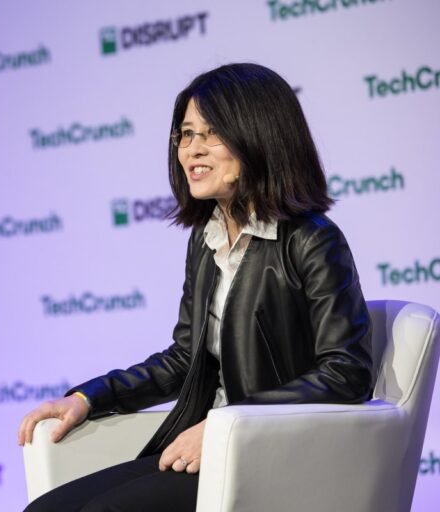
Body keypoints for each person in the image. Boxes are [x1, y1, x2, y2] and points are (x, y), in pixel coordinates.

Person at [18, 63, 373, 512]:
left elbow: (346, 371)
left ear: (260, 136)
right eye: (186, 134)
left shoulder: (312, 239)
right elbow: (185, 359)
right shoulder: (206, 239)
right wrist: (90, 398)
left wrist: (229, 424)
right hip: (212, 446)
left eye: (212, 133)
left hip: (273, 454)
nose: (192, 150)